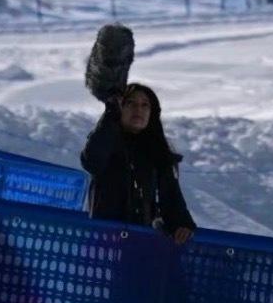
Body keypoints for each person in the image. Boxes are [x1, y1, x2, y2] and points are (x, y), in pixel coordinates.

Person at [81, 82, 195, 243]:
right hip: (105, 242)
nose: (138, 109)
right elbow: (92, 161)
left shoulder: (158, 155)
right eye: (130, 103)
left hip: (142, 244)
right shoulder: (107, 143)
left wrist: (182, 225)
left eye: (145, 105)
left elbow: (172, 199)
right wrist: (111, 113)